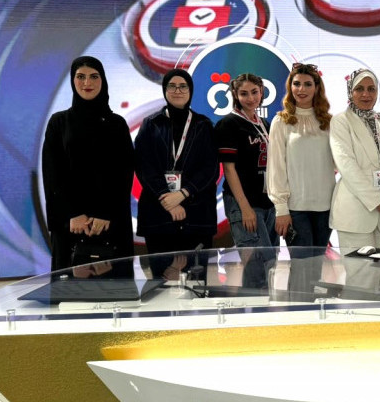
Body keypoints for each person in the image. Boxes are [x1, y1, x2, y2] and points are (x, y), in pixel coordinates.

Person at [41, 56, 134, 276]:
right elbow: (52, 173)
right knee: (71, 292)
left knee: (115, 290)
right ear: (73, 81)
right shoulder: (59, 122)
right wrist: (73, 214)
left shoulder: (117, 124)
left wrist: (104, 213)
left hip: (110, 222)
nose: (87, 83)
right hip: (71, 225)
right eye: (80, 77)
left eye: (94, 76)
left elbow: (124, 173)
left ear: (103, 81)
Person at [135, 68, 219, 280]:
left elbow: (210, 169)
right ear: (165, 90)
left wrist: (182, 194)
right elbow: (144, 166)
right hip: (159, 216)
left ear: (190, 90)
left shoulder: (203, 125)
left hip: (196, 217)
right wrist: (168, 199)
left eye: (183, 86)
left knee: (196, 283)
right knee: (162, 283)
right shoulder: (151, 124)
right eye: (172, 86)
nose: (177, 91)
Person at [330, 68, 380, 287]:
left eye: (371, 89)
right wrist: (377, 200)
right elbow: (347, 166)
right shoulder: (341, 121)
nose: (366, 94)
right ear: (350, 92)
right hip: (356, 211)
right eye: (359, 89)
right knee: (360, 278)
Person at [267, 63, 335, 293]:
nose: (301, 89)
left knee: (315, 270)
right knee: (301, 269)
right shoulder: (281, 121)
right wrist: (281, 208)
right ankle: (297, 310)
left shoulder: (329, 122)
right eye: (296, 84)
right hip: (295, 209)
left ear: (317, 88)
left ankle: (312, 312)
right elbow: (275, 167)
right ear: (290, 87)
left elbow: (339, 162)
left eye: (307, 84)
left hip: (326, 208)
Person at [215, 73, 276, 289]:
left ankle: (265, 307)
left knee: (270, 263)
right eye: (244, 93)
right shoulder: (228, 124)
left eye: (254, 92)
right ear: (235, 94)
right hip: (245, 203)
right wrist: (245, 208)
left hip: (268, 202)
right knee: (257, 266)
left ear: (262, 92)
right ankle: (254, 308)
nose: (250, 98)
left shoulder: (265, 123)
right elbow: (229, 169)